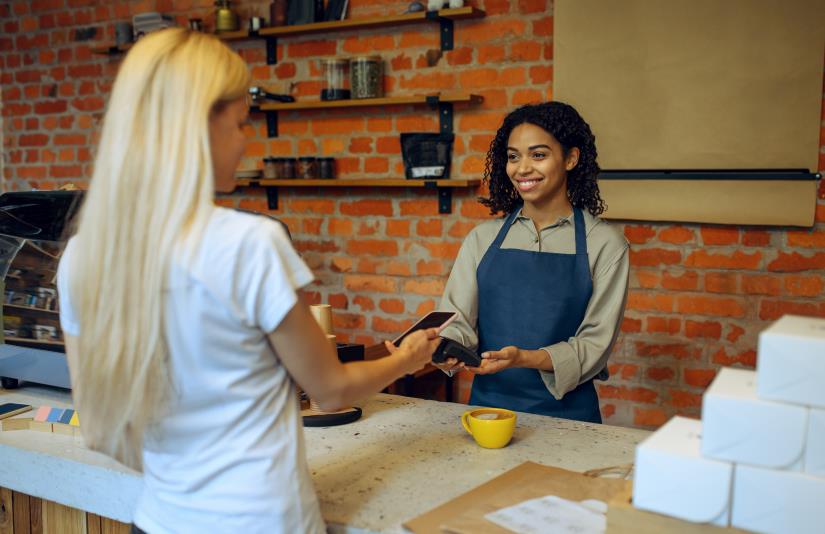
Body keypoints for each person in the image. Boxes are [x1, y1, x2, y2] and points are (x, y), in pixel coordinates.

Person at [56, 28, 440, 534]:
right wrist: (407, 359)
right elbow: (329, 390)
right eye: (239, 123)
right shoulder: (248, 243)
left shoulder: (85, 254)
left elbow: (101, 430)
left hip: (158, 520)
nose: (245, 140)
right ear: (197, 126)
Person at [435, 101, 629, 423]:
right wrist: (447, 349)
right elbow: (457, 322)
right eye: (513, 157)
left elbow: (595, 345)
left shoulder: (604, 244)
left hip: (569, 420)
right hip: (487, 415)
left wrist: (524, 358)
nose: (522, 168)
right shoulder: (482, 239)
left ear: (570, 158)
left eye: (538, 155)